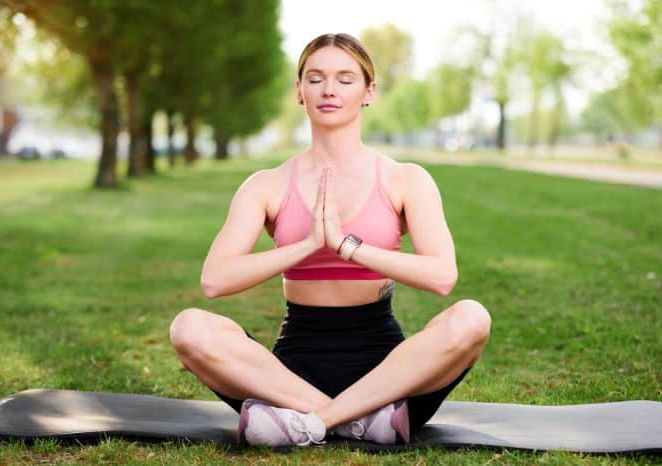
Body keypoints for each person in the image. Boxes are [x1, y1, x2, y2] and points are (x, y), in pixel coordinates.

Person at [169, 32, 491, 448]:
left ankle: (307, 422)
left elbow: (442, 276)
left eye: (345, 78)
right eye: (315, 78)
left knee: (471, 318)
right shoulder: (267, 184)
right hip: (291, 370)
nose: (329, 90)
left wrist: (346, 246)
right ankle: (359, 420)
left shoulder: (405, 179)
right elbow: (215, 280)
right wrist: (305, 245)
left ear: (368, 91)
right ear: (300, 91)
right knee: (189, 329)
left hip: (387, 370)